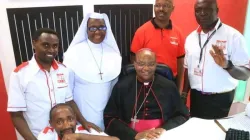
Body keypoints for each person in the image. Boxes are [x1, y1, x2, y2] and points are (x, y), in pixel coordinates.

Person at [7, 28, 100, 140]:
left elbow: (69, 101)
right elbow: (16, 115)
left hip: (63, 135)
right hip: (36, 135)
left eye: (55, 46)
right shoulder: (20, 74)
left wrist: (84, 121)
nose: (51, 50)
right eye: (45, 45)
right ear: (34, 44)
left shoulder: (64, 70)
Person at [182, 0, 250, 119]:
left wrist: (227, 65)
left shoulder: (234, 37)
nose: (202, 13)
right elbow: (188, 69)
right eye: (198, 10)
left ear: (217, 11)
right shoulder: (190, 38)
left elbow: (245, 75)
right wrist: (184, 94)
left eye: (207, 9)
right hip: (196, 97)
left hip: (221, 99)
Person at [104, 49, 189, 140]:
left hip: (161, 135)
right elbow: (109, 118)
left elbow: (182, 115)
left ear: (156, 64)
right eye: (141, 64)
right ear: (135, 64)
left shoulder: (168, 86)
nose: (146, 68)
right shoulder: (122, 86)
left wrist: (164, 129)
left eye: (151, 64)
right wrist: (133, 135)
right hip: (130, 135)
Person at [63, 12, 122, 130]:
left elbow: (115, 89)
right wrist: (81, 120)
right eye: (93, 28)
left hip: (108, 115)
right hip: (82, 116)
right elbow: (67, 94)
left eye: (102, 27)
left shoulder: (113, 53)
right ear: (86, 29)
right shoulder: (73, 53)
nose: (98, 31)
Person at [130, 0, 185, 92]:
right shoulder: (141, 31)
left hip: (170, 83)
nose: (161, 9)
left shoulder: (178, 33)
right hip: (147, 83)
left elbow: (180, 62)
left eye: (166, 6)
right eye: (158, 5)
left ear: (172, 8)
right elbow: (134, 60)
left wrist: (179, 88)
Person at [38, 103, 119, 140]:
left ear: (75, 118)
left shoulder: (85, 130)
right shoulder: (46, 135)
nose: (67, 125)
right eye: (59, 122)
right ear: (51, 124)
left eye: (70, 119)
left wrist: (79, 136)